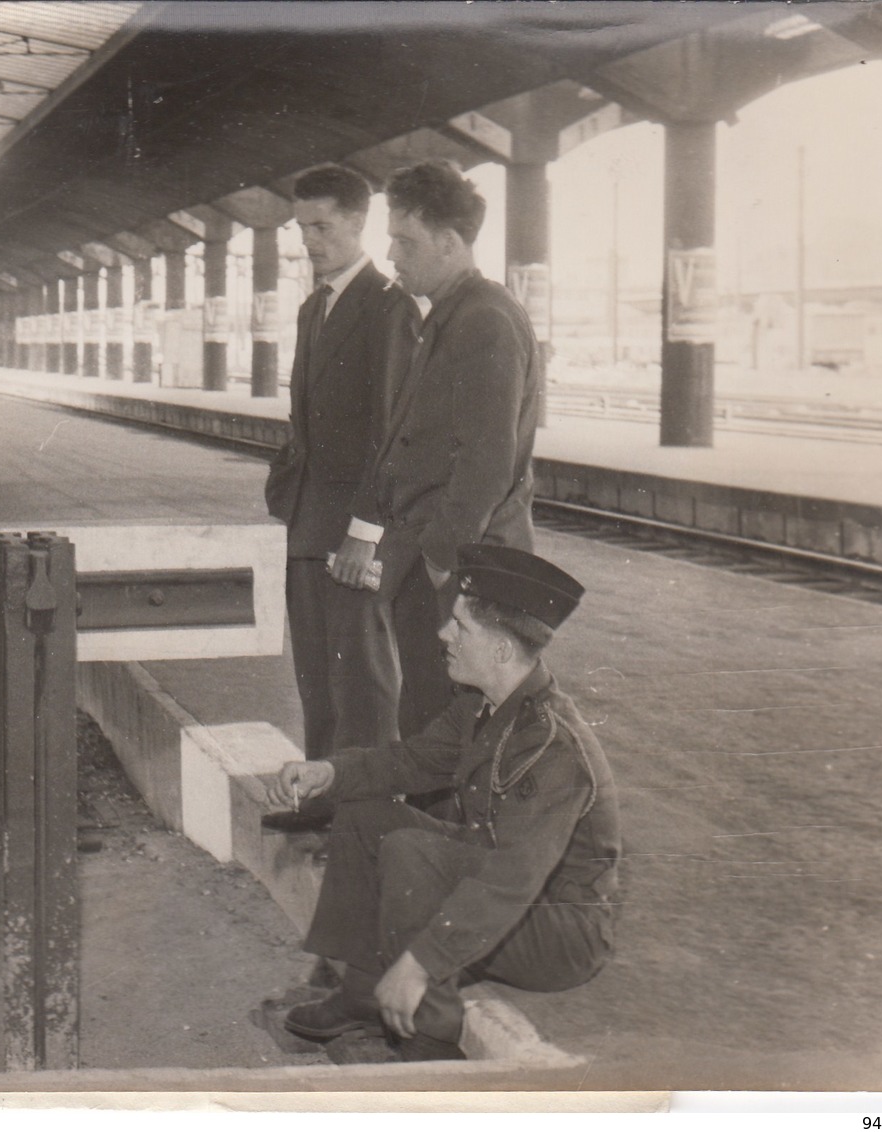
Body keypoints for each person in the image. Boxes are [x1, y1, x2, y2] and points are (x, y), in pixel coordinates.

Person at [266, 544, 619, 1062]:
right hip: (501, 880)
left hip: (558, 930)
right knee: (367, 815)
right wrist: (329, 772)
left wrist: (418, 965)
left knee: (414, 851)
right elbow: (408, 762)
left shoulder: (553, 748)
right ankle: (365, 995)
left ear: (500, 651)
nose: (442, 636)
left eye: (459, 627)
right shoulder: (482, 706)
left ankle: (428, 1043)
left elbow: (509, 880)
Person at [336, 161, 542, 738]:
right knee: (432, 713)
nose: (394, 255)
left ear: (450, 244)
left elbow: (487, 458)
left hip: (464, 567)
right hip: (446, 564)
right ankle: (431, 824)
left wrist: (439, 556)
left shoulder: (485, 321)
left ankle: (444, 828)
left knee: (453, 721)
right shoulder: (450, 316)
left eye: (406, 241)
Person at [262, 164, 417, 834]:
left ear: (360, 222)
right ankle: (325, 796)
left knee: (363, 679)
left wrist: (367, 528)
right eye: (302, 227)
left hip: (354, 527)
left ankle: (369, 814)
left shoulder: (389, 308)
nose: (310, 240)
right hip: (306, 523)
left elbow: (392, 430)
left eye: (323, 226)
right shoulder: (312, 308)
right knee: (318, 676)